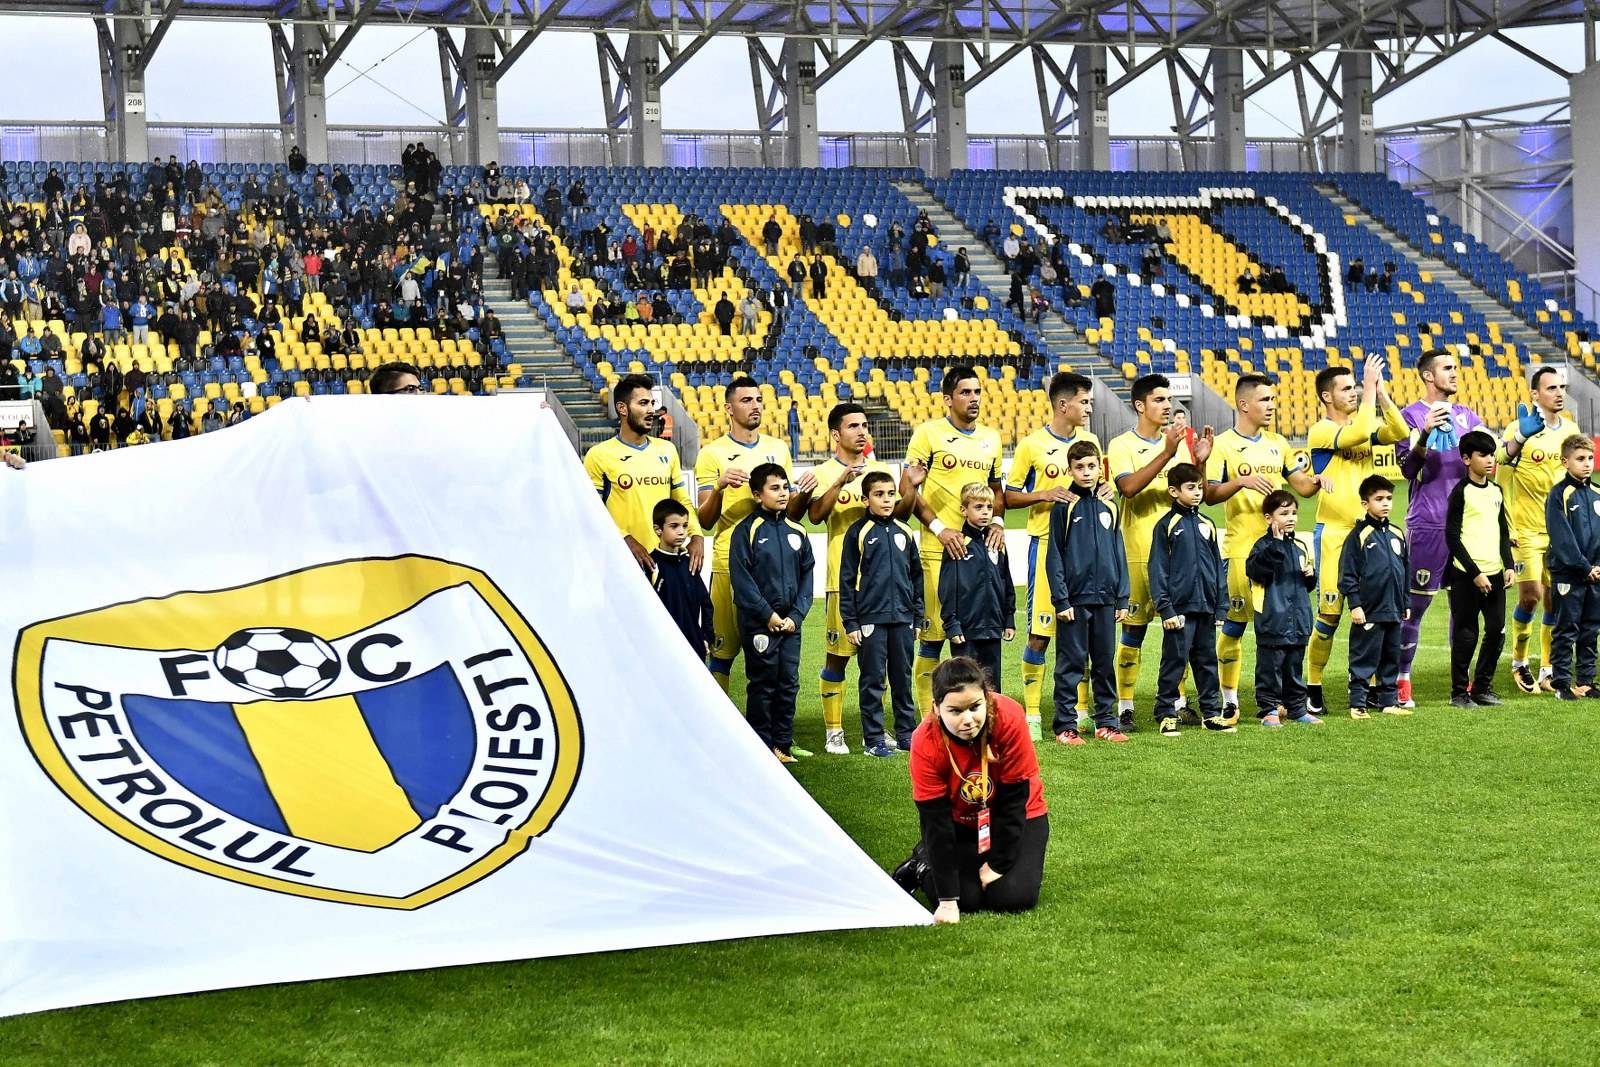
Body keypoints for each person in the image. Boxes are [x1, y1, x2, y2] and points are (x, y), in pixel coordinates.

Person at [892, 657, 1048, 922]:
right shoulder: (924, 741)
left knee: (1012, 897)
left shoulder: (1009, 717)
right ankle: (922, 861)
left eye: (975, 707)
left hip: (1020, 813)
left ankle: (986, 859)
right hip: (959, 822)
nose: (968, 720)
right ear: (936, 708)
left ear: (986, 697)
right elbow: (935, 821)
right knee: (966, 899)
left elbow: (1014, 801)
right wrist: (947, 901)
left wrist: (998, 864)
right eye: (955, 711)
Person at [1206, 374, 1321, 722]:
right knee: (1236, 626)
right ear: (1244, 404)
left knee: (1283, 630)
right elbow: (1209, 494)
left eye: (1273, 399)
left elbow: (1302, 487)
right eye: (1265, 400)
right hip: (1243, 552)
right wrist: (1241, 481)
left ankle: (1286, 703)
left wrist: (1319, 480)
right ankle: (1229, 698)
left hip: (1281, 555)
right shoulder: (1224, 445)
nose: (1272, 405)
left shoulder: (1278, 443)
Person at [1304, 358, 1409, 715]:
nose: (1353, 392)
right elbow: (1360, 432)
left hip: (1367, 534)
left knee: (1377, 613)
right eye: (1346, 388)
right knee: (1330, 616)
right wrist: (1368, 391)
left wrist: (1380, 394)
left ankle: (1377, 691)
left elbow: (1399, 431)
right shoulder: (1321, 431)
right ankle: (1313, 686)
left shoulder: (1362, 424)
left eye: (1355, 387)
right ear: (1326, 396)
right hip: (1334, 534)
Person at [1107, 372, 1212, 729]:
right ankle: (1125, 706)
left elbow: (1196, 494)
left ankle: (1177, 702)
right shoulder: (1121, 445)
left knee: (1180, 631)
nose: (1168, 405)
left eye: (1169, 399)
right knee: (1133, 632)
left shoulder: (1180, 446)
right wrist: (1166, 452)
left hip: (1177, 556)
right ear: (1140, 405)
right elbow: (1129, 488)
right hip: (1137, 550)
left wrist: (1200, 463)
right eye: (1159, 400)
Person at [696, 377, 813, 694]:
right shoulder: (712, 453)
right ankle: (720, 720)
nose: (755, 405)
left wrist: (803, 493)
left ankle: (772, 723)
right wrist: (719, 487)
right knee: (722, 652)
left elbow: (791, 515)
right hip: (729, 566)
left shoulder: (778, 449)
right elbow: (705, 520)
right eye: (746, 400)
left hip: (774, 569)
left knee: (774, 652)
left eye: (759, 399)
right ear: (728, 408)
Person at [904, 365, 1005, 716]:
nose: (973, 398)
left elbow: (996, 490)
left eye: (977, 392)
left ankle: (978, 713)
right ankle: (927, 718)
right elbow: (908, 489)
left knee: (974, 639)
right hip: (937, 552)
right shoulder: (928, 434)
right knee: (933, 638)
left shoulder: (991, 438)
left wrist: (998, 521)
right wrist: (939, 528)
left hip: (975, 555)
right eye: (965, 392)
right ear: (948, 399)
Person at [1004, 371, 1101, 738]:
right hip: (1046, 545)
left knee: (1083, 633)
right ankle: (1032, 714)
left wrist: (1105, 491)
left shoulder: (1091, 441)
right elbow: (1009, 496)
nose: (1089, 408)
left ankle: (1081, 711)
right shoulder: (1032, 445)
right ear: (1063, 405)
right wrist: (1043, 494)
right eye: (1084, 402)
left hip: (1085, 550)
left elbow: (1099, 485)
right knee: (1040, 633)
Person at [809, 402, 903, 755]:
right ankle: (834, 730)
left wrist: (909, 487)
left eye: (865, 425)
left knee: (879, 661)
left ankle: (874, 731)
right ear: (836, 434)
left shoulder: (880, 471)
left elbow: (898, 515)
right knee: (838, 656)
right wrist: (840, 481)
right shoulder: (823, 472)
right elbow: (815, 515)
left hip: (881, 585)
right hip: (842, 581)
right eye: (853, 426)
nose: (862, 431)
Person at [1394, 352, 1485, 705]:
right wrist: (1426, 433)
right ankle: (1401, 679)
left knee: (1463, 609)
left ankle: (1460, 685)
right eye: (1448, 368)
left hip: (1465, 526)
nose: (1455, 373)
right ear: (1428, 376)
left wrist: (1518, 440)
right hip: (1429, 524)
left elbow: (1489, 457)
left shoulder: (1467, 416)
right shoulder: (1410, 416)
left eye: (1455, 368)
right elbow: (1407, 469)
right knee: (1414, 608)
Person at [1498, 366, 1582, 694]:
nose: (1559, 393)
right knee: (1531, 595)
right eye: (1551, 388)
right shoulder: (1519, 429)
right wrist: (1507, 527)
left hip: (1559, 531)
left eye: (1561, 387)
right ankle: (1519, 661)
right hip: (1525, 530)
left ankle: (1548, 668)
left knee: (1554, 600)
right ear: (1535, 394)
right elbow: (1502, 475)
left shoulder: (1571, 430)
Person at [728, 463, 816, 764]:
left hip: (790, 623)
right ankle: (762, 750)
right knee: (763, 685)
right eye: (774, 488)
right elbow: (742, 580)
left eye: (785, 487)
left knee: (788, 683)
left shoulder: (797, 530)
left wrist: (796, 616)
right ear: (757, 495)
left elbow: (807, 577)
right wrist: (768, 615)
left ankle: (782, 745)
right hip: (760, 624)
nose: (783, 493)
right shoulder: (746, 530)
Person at [1045, 441, 1130, 744]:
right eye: (1079, 467)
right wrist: (1061, 599)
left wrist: (1122, 596)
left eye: (1091, 466)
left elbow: (1118, 550)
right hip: (1075, 600)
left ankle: (1106, 722)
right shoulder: (1064, 506)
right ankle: (1065, 726)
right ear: (1070, 470)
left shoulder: (1110, 504)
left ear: (1100, 468)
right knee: (1070, 664)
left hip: (1106, 598)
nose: (1086, 472)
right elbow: (1055, 554)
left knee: (1105, 663)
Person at [838, 471, 923, 757]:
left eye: (890, 494)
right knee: (873, 680)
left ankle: (906, 734)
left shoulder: (904, 531)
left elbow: (916, 576)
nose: (886, 500)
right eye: (878, 495)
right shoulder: (858, 532)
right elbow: (847, 580)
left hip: (903, 618)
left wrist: (917, 616)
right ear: (865, 499)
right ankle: (873, 738)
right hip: (870, 619)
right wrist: (851, 622)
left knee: (902, 678)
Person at [584, 373, 704, 575]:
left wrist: (697, 535)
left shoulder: (667, 450)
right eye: (643, 403)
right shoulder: (599, 455)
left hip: (666, 560)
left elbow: (681, 500)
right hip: (622, 562)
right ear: (622, 408)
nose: (651, 410)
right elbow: (592, 511)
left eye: (652, 403)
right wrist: (625, 539)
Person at [1147, 463, 1226, 735]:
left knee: (1207, 662)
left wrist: (1221, 605)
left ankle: (1211, 713)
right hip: (1179, 610)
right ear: (1174, 491)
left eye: (1200, 487)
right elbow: (1157, 569)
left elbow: (1217, 567)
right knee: (1174, 661)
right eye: (1191, 488)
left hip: (1206, 607)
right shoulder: (1166, 526)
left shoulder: (1208, 524)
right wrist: (1165, 608)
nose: (1197, 493)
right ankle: (1166, 712)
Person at [1443, 431, 1514, 708]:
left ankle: (1482, 688)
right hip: (1466, 575)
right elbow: (1452, 536)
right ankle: (1459, 693)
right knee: (1466, 633)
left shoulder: (1496, 491)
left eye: (1491, 454)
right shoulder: (1460, 492)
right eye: (1482, 455)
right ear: (1466, 459)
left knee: (1496, 631)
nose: (1489, 460)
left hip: (1495, 573)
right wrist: (1474, 573)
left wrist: (1508, 565)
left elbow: (1502, 531)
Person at [1246, 491, 1321, 728]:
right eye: (1284, 513)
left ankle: (1297, 708)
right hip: (1273, 619)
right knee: (1270, 668)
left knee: (1294, 668)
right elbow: (1256, 572)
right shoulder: (1262, 546)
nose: (1291, 518)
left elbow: (1306, 586)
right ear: (1269, 518)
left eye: (1294, 513)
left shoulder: (1300, 546)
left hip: (1297, 620)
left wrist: (1311, 575)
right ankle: (1269, 709)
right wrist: (1276, 546)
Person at [1338, 476, 1411, 718]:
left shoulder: (1397, 533)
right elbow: (1347, 573)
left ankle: (1388, 701)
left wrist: (1405, 601)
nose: (1386, 503)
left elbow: (1405, 568)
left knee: (1391, 656)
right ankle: (1358, 703)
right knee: (1364, 656)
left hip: (1393, 607)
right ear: (1365, 504)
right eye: (1379, 499)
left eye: (1389, 498)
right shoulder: (1359, 535)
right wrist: (1355, 604)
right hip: (1369, 609)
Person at [937, 484, 1016, 692]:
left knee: (992, 687)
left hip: (993, 627)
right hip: (966, 630)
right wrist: (952, 624)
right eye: (978, 507)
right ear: (964, 510)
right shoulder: (958, 543)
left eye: (989, 507)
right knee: (966, 685)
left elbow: (1006, 581)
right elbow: (947, 588)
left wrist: (1008, 619)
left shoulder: (996, 543)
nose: (985, 512)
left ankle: (990, 715)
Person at [1543, 435, 1600, 701]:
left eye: (1590, 458)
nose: (1587, 464)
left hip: (1595, 574)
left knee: (1591, 628)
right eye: (1580, 459)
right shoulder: (1559, 495)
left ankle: (1586, 681)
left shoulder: (1598, 492)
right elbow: (1561, 537)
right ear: (1565, 462)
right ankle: (1562, 683)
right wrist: (1583, 566)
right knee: (1566, 629)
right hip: (1569, 574)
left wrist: (1597, 567)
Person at [650, 499, 714, 662]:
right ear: (658, 529)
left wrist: (706, 636)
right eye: (674, 526)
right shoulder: (651, 565)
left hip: (694, 646)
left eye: (685, 526)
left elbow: (706, 603)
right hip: (664, 650)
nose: (681, 532)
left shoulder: (689, 562)